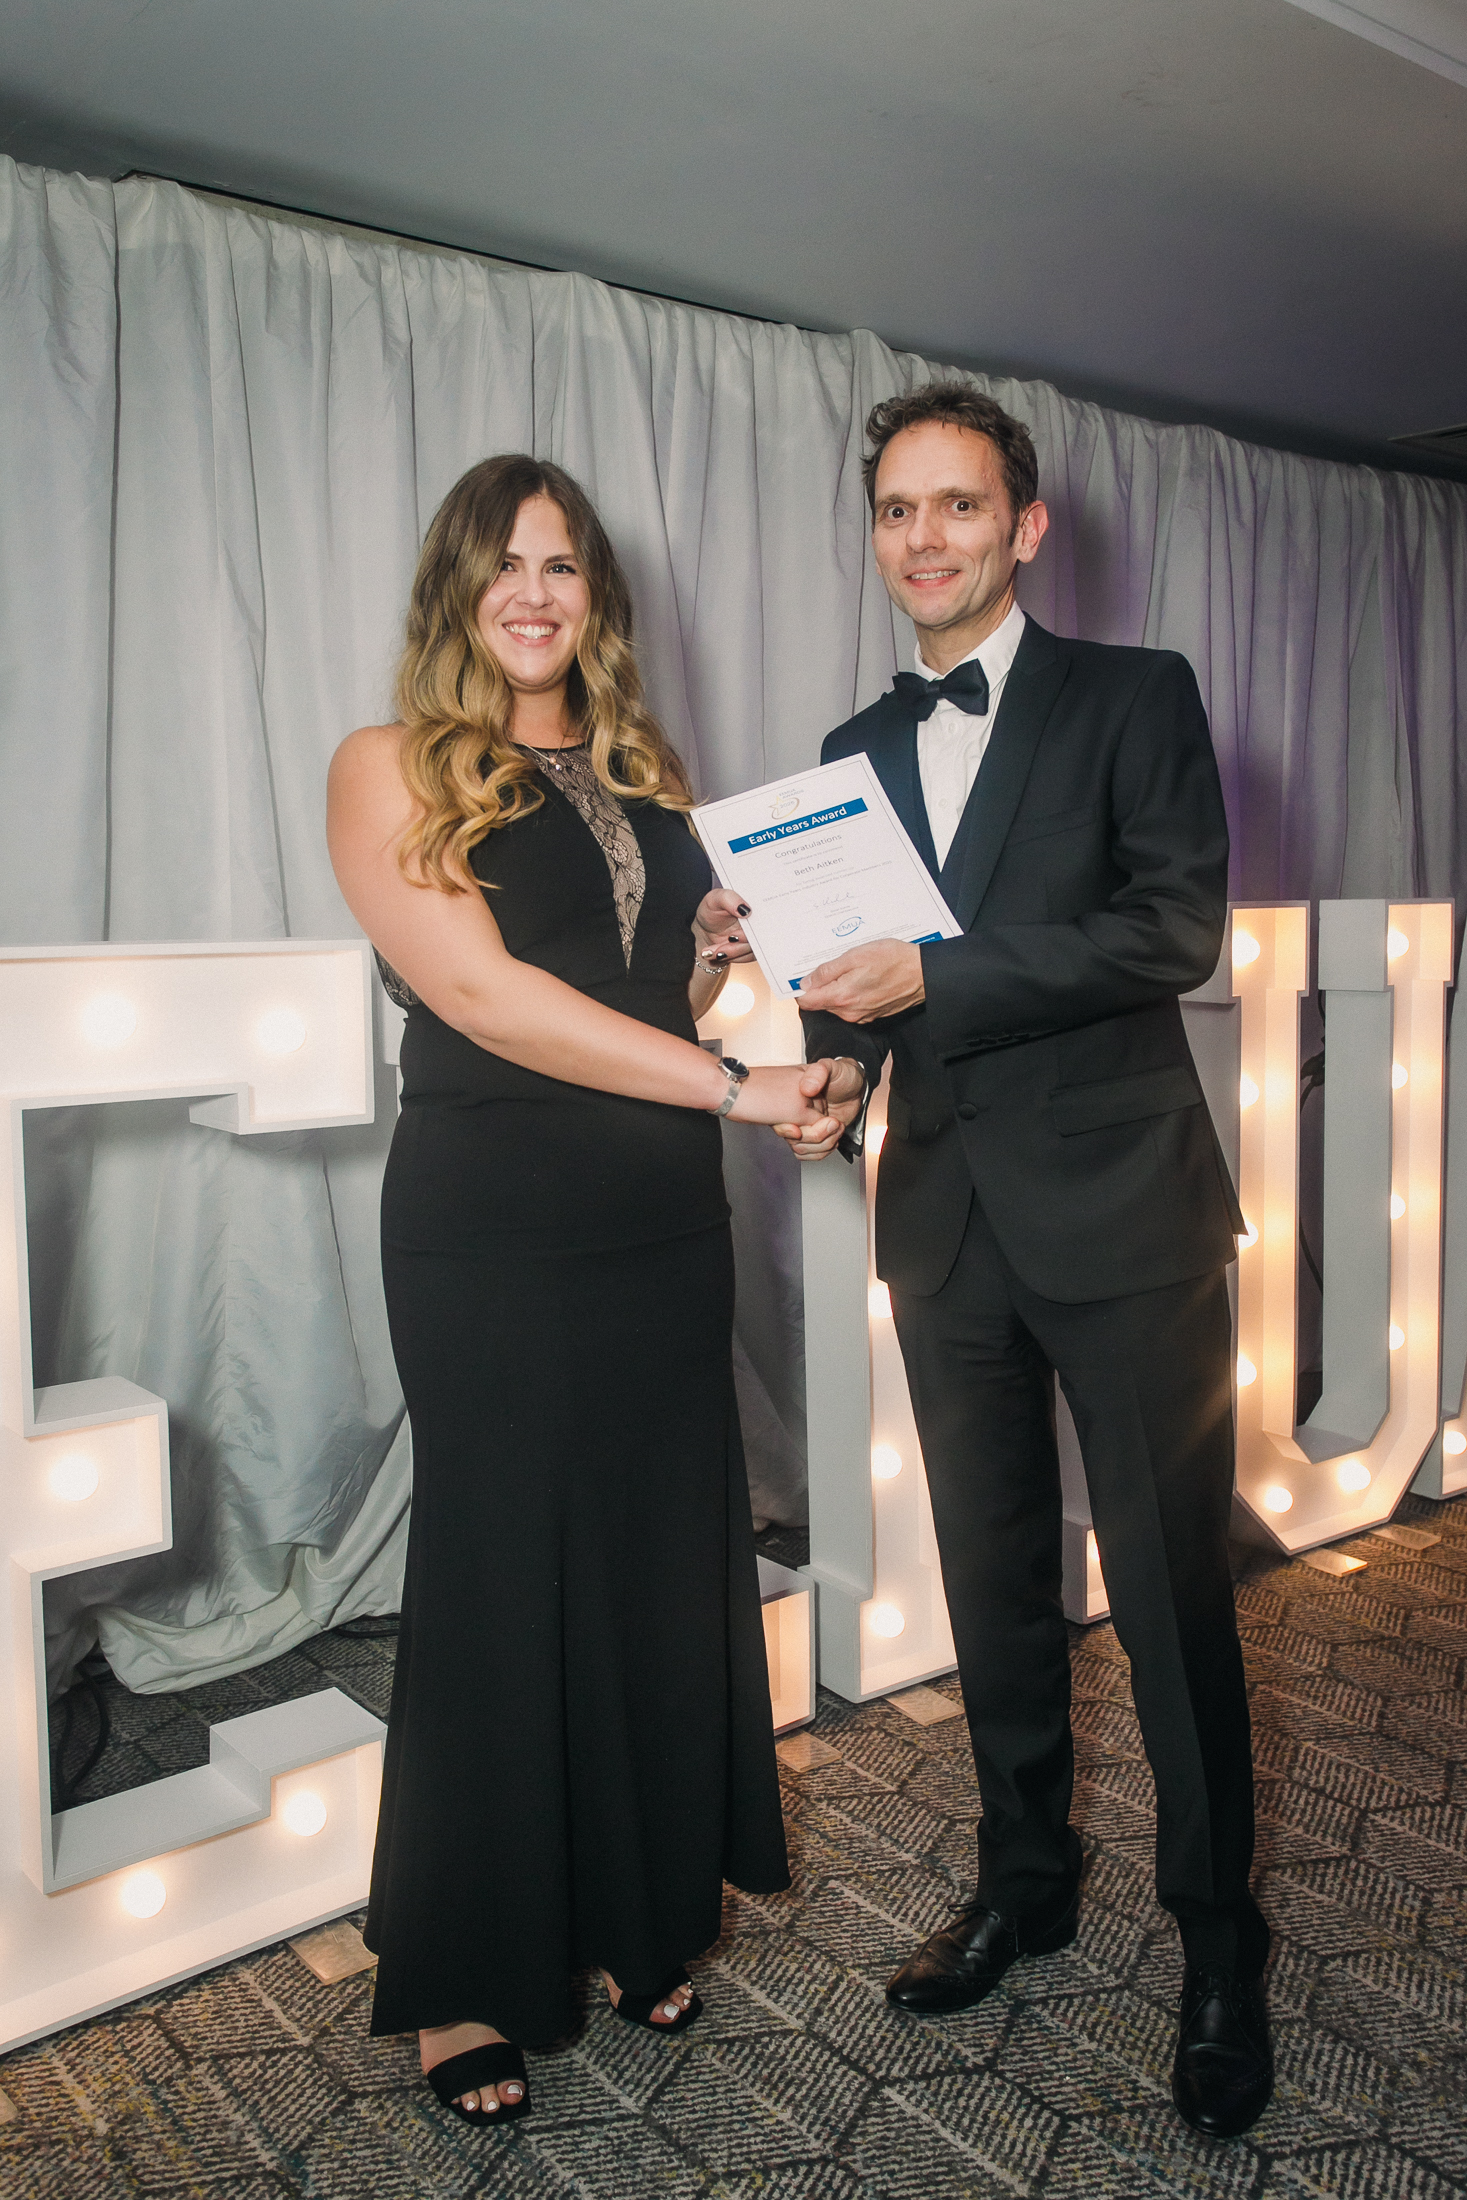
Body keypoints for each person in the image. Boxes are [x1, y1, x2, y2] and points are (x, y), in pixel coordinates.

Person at [327, 454, 841, 2128]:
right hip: (496, 1233)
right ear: (456, 590)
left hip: (660, 1227)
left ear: (593, 596)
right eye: (503, 564)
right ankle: (465, 1974)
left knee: (648, 1568)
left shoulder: (648, 781)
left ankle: (632, 1910)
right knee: (503, 1575)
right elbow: (486, 1002)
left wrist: (710, 976)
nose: (533, 593)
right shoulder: (387, 765)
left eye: (560, 565)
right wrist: (740, 1087)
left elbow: (637, 1010)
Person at [791, 384, 1273, 2141]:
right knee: (992, 1583)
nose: (925, 537)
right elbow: (849, 973)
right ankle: (1027, 1880)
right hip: (943, 1220)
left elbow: (1177, 927)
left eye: (959, 505)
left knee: (1167, 1598)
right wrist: (837, 1070)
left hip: (1124, 1213)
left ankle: (1221, 1941)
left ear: (1027, 525)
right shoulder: (848, 745)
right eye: (897, 509)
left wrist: (940, 977)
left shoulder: (1136, 694)